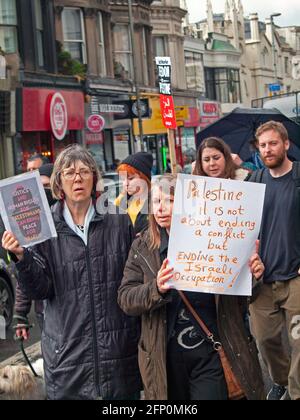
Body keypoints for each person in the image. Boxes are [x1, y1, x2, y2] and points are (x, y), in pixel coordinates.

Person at [2, 145, 141, 400]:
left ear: (94, 179)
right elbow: (39, 290)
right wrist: (21, 258)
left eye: (84, 172)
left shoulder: (119, 220)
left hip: (119, 358)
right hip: (67, 360)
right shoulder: (43, 228)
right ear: (58, 184)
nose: (77, 178)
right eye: (69, 173)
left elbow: (133, 281)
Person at [118, 174, 266, 400]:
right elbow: (126, 298)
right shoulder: (142, 246)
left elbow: (242, 299)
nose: (161, 208)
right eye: (156, 202)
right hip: (164, 358)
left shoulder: (214, 237)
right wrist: (155, 288)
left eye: (170, 200)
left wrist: (253, 276)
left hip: (209, 352)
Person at [248, 121, 300, 401]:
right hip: (262, 279)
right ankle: (280, 381)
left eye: (273, 143)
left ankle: (296, 392)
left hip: (295, 278)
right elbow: (240, 226)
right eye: (263, 145)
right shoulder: (254, 182)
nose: (268, 149)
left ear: (286, 144)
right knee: (265, 340)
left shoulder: (299, 177)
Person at [14, 163, 56, 339]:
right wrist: (21, 315)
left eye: (47, 187)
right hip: (44, 310)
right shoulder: (35, 226)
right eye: (40, 187)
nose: (44, 192)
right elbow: (26, 273)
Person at [115, 152, 153, 235]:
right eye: (123, 179)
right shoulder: (122, 201)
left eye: (130, 178)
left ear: (144, 178)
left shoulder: (157, 202)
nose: (126, 183)